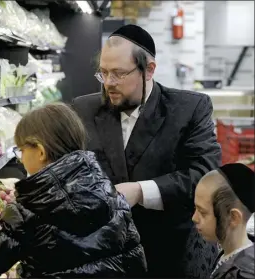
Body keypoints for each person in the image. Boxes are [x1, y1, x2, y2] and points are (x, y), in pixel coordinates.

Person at [0, 103, 147, 278]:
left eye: (21, 151)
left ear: (40, 151)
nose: (20, 159)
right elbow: (136, 262)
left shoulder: (31, 209)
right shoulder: (112, 195)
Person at [72, 24, 222, 278]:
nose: (109, 83)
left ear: (149, 70)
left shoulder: (189, 109)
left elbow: (205, 173)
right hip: (105, 256)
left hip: (172, 255)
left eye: (119, 73)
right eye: (103, 73)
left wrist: (141, 191)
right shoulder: (83, 108)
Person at [193, 163, 254, 279]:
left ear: (233, 217)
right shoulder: (227, 254)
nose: (194, 218)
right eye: (195, 209)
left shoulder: (242, 274)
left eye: (203, 212)